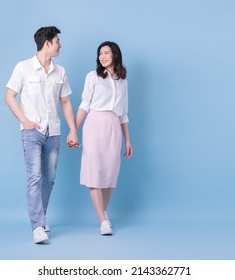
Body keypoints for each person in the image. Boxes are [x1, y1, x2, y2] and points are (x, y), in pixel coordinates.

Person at [5, 26, 79, 244]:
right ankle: (37, 226)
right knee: (35, 177)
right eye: (57, 41)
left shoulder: (60, 72)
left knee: (49, 178)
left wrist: (73, 129)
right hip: (32, 133)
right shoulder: (23, 68)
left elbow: (65, 102)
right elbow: (9, 96)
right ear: (47, 43)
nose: (60, 45)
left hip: (53, 131)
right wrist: (25, 121)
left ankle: (41, 216)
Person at [75, 41, 133, 235]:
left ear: (115, 55)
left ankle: (104, 212)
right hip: (94, 125)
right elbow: (85, 104)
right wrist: (73, 129)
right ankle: (102, 221)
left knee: (110, 174)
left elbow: (124, 113)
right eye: (100, 53)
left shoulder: (123, 81)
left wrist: (127, 140)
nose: (103, 56)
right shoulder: (92, 76)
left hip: (114, 126)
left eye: (107, 52)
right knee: (94, 172)